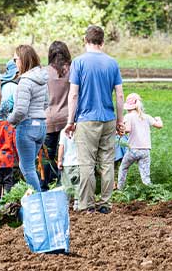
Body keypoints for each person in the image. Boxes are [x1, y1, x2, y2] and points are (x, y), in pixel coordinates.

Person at [65, 25, 124, 214]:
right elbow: (120, 95)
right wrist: (120, 121)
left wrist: (70, 121)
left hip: (86, 119)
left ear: (85, 40)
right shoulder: (112, 63)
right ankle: (105, 203)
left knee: (87, 163)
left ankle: (87, 204)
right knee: (107, 163)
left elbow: (73, 95)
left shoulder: (79, 62)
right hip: (108, 118)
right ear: (103, 42)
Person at [8, 45, 48, 192]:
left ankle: (38, 199)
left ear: (23, 60)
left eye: (15, 59)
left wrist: (9, 120)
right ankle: (35, 196)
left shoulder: (25, 81)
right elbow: (46, 103)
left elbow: (20, 110)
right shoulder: (42, 79)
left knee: (27, 168)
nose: (14, 62)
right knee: (30, 165)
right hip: (41, 126)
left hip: (27, 127)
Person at [117, 93, 163, 189]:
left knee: (123, 168)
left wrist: (119, 132)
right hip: (145, 150)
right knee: (145, 176)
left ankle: (120, 189)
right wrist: (159, 119)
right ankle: (152, 192)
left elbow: (128, 129)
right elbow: (159, 125)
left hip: (133, 149)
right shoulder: (146, 116)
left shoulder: (128, 116)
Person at [42, 41, 71, 190]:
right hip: (68, 119)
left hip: (49, 119)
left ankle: (45, 186)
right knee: (66, 153)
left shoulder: (44, 72)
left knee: (48, 156)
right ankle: (64, 186)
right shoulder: (72, 71)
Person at [0, 59, 18, 207]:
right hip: (8, 160)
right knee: (8, 182)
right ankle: (8, 202)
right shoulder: (9, 127)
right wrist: (18, 158)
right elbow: (14, 143)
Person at [57, 126, 79, 209]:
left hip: (66, 163)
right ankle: (77, 202)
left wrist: (59, 160)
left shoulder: (63, 131)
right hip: (78, 162)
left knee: (67, 184)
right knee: (78, 184)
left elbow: (61, 147)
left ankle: (66, 203)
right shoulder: (80, 129)